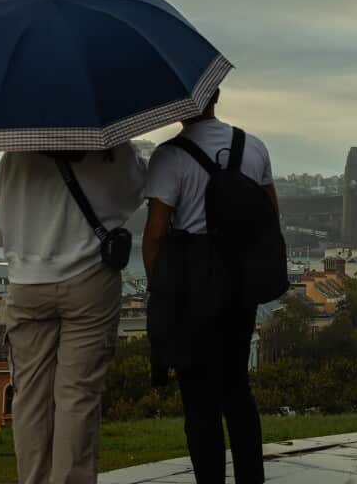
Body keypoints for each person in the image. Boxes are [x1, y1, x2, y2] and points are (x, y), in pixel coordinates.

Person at [0, 144, 145, 484]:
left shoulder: (17, 149)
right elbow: (135, 191)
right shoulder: (109, 145)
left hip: (28, 281)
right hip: (89, 278)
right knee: (78, 395)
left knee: (30, 397)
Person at [143, 89, 275, 484]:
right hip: (240, 286)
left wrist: (160, 288)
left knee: (198, 397)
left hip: (192, 290)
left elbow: (155, 234)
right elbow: (269, 217)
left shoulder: (169, 156)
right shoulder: (254, 147)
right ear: (216, 94)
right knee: (237, 389)